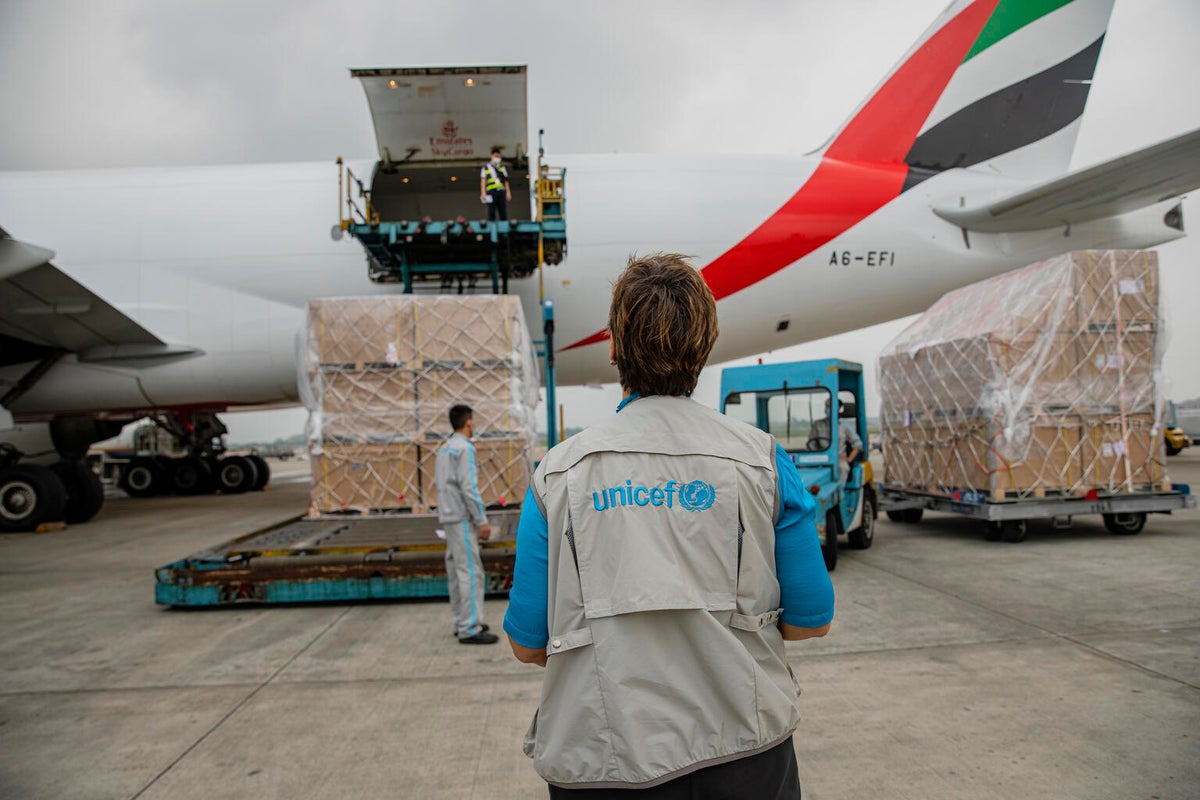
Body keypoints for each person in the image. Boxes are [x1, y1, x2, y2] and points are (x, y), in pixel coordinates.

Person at [503, 253, 835, 797]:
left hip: (603, 762)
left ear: (612, 346)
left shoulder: (557, 476)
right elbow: (810, 621)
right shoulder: (765, 462)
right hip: (745, 754)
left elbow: (527, 644)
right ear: (705, 345)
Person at [435, 404, 498, 645]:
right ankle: (470, 627)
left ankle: (460, 621)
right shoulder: (465, 449)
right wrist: (481, 520)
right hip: (462, 517)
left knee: (456, 571)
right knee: (471, 573)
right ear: (469, 422)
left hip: (448, 516)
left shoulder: (444, 449)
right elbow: (469, 488)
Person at [810, 399, 863, 486]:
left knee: (843, 468)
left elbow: (858, 444)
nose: (828, 409)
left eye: (831, 406)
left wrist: (849, 459)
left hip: (838, 458)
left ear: (838, 409)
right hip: (820, 458)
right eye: (827, 406)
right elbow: (811, 444)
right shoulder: (817, 424)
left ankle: (840, 493)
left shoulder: (845, 426)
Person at [480, 148, 511, 221]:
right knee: (491, 210)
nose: (497, 158)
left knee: (502, 210)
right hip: (491, 192)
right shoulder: (486, 168)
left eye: (498, 157)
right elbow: (483, 181)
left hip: (501, 191)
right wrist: (483, 193)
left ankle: (503, 226)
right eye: (495, 156)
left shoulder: (502, 168)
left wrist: (508, 192)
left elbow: (506, 181)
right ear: (492, 157)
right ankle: (492, 225)